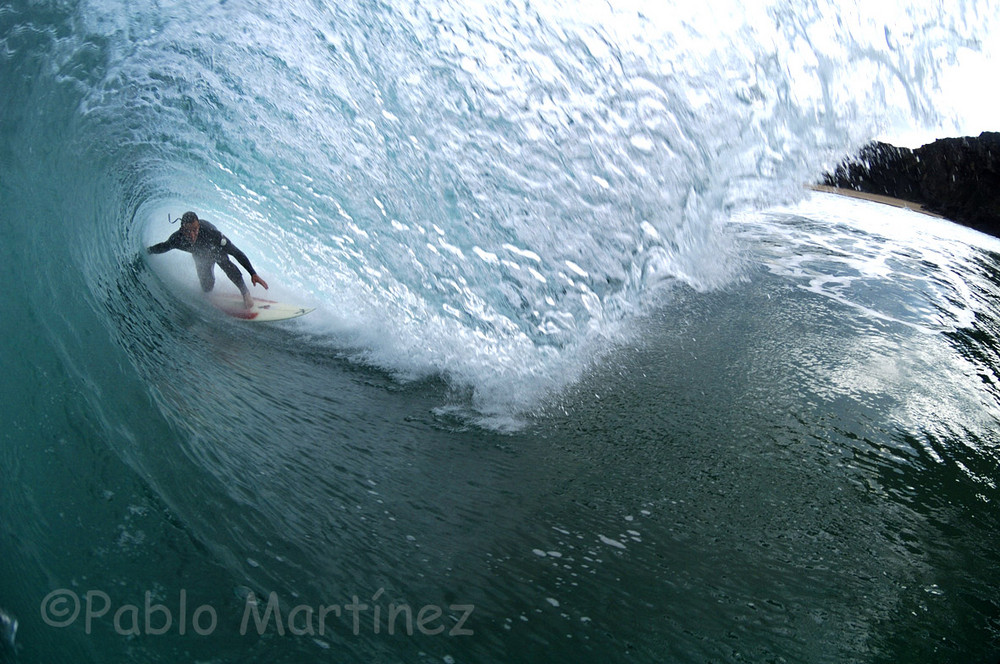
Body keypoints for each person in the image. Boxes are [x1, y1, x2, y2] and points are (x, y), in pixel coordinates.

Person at [147, 211, 268, 309]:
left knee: (224, 261)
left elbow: (235, 252)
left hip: (215, 248)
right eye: (188, 231)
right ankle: (211, 293)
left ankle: (245, 293)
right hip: (201, 256)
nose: (192, 235)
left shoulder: (212, 234)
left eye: (195, 230)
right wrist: (147, 251)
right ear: (182, 230)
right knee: (207, 287)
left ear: (198, 226)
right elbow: (163, 247)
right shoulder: (177, 239)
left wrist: (252, 273)